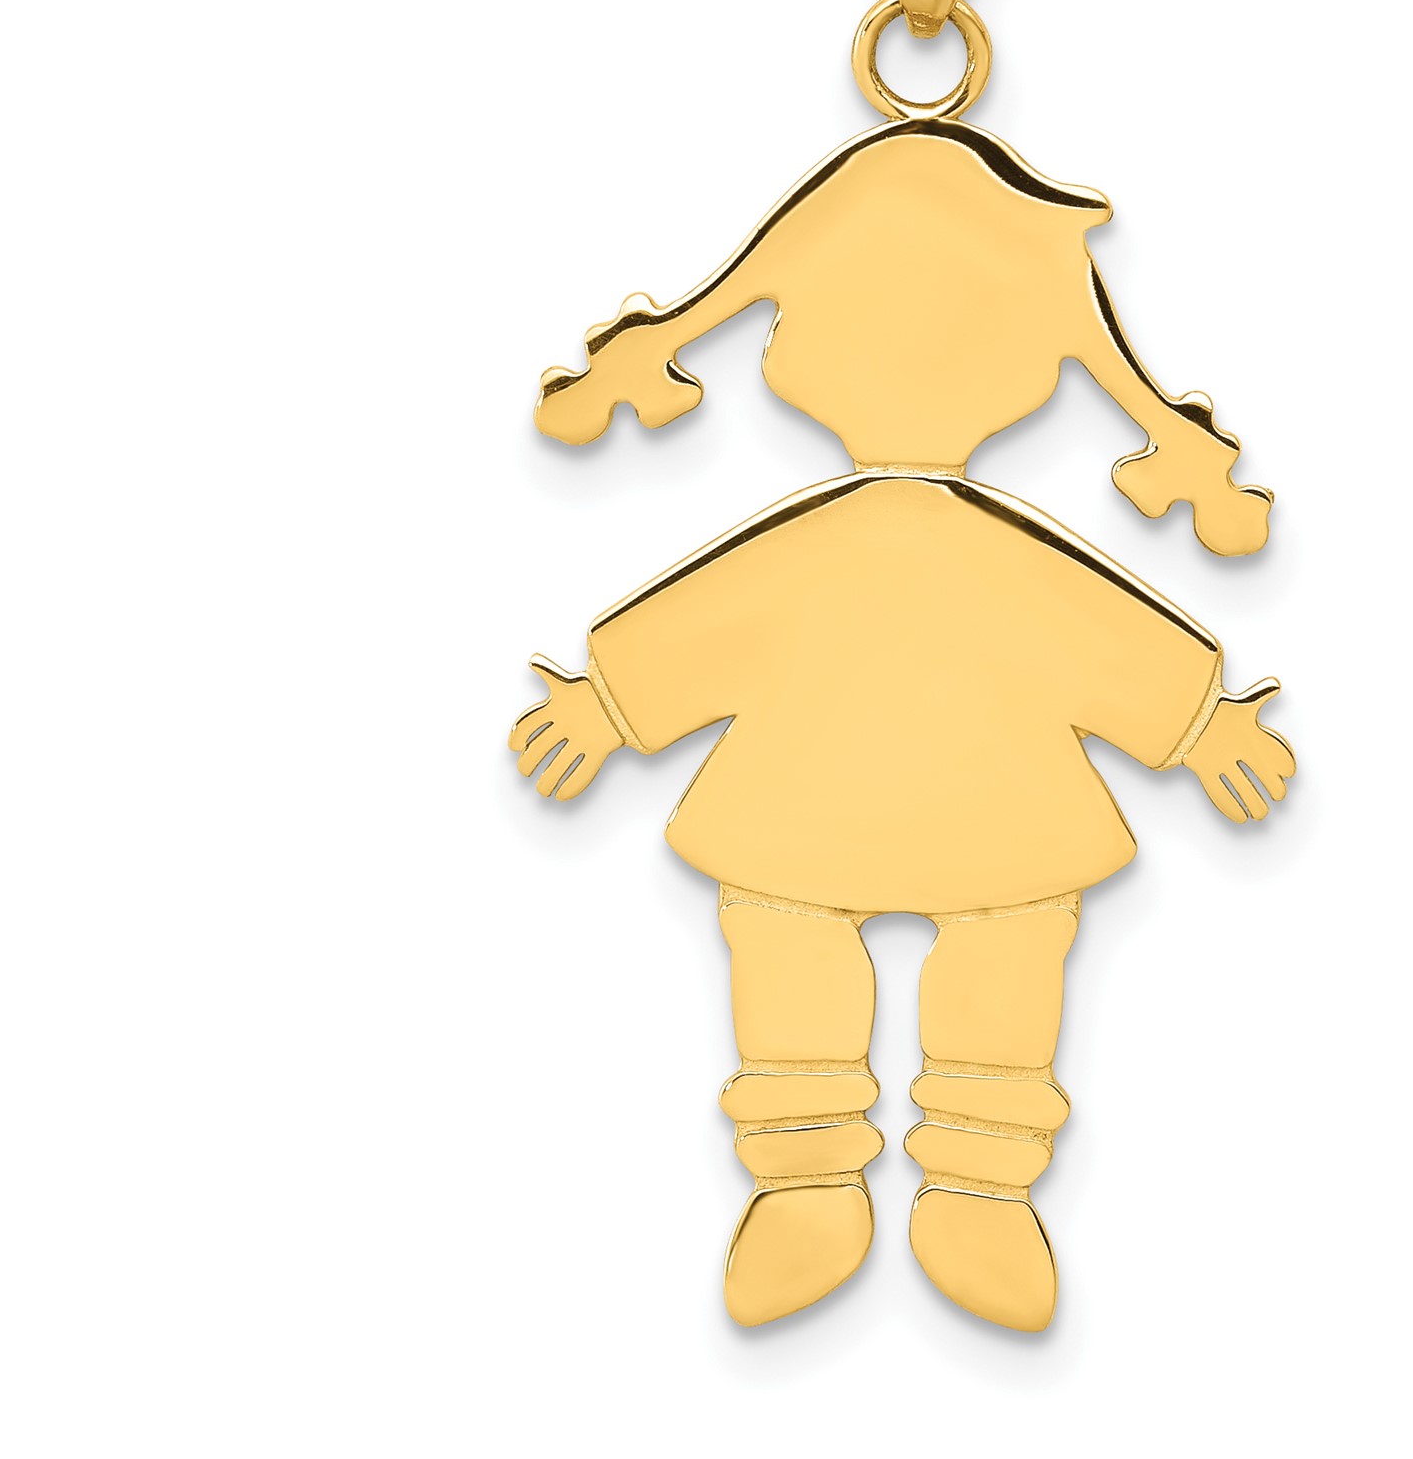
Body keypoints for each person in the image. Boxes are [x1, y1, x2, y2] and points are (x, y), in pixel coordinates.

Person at [509, 119, 1295, 1331]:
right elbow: (718, 618)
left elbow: (1094, 633)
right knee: (915, 950)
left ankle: (940, 1182)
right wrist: (1199, 727)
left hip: (835, 800)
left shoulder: (899, 544)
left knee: (860, 949)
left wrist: (609, 704)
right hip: (934, 805)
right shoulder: (894, 544)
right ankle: (848, 1180)